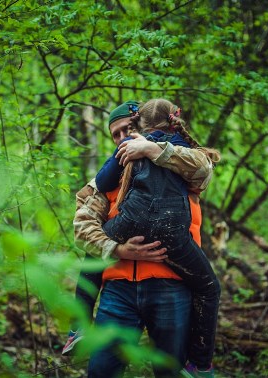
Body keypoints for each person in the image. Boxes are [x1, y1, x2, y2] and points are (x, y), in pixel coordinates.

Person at [69, 100, 218, 377]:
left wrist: (153, 149)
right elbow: (82, 224)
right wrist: (118, 249)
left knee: (170, 371)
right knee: (101, 371)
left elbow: (204, 170)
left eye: (128, 129)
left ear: (142, 128)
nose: (123, 139)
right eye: (116, 134)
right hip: (118, 292)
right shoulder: (109, 178)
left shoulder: (180, 160)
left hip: (171, 287)